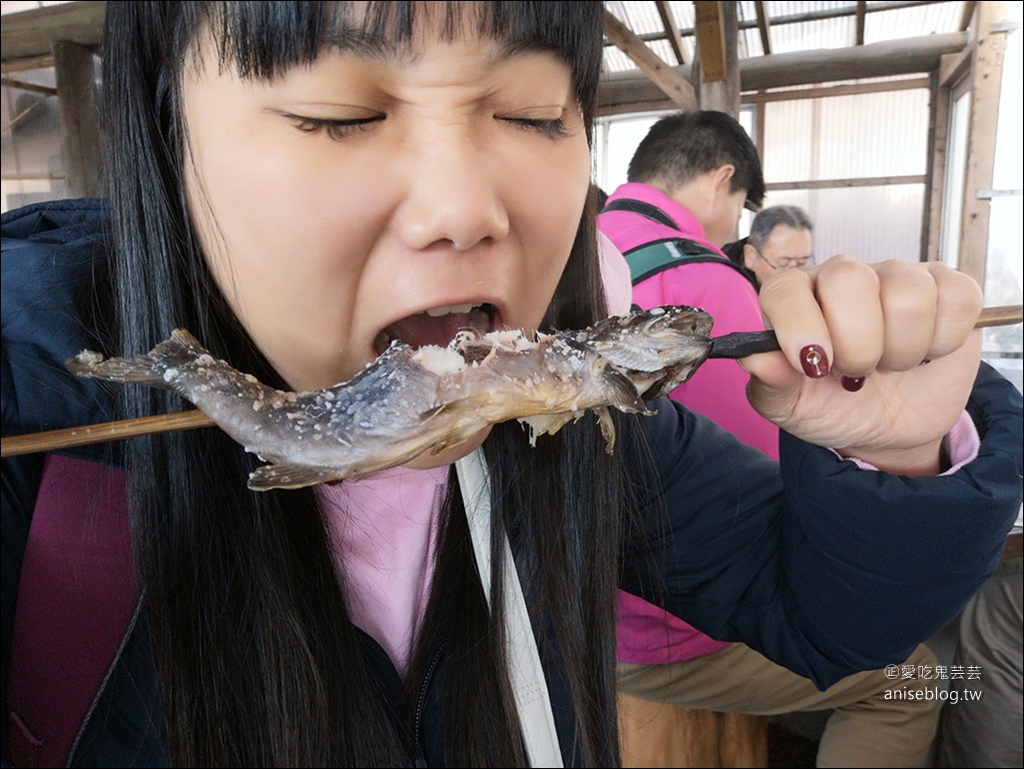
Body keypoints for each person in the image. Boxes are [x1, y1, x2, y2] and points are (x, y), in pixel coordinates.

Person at [1, 4, 1021, 768]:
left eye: (532, 114)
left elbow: (827, 613)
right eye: (335, 112)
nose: (463, 208)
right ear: (163, 134)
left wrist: (893, 449)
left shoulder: (575, 426)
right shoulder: (30, 417)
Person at [599, 111, 943, 767]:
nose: (732, 228)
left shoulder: (570, 251)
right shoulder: (707, 281)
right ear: (720, 179)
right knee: (914, 682)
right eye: (739, 208)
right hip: (659, 631)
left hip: (568, 602)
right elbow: (764, 491)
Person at [722, 203, 815, 290]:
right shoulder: (720, 286)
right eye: (784, 263)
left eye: (802, 263)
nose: (794, 275)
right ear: (751, 256)